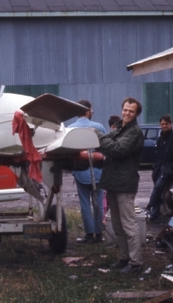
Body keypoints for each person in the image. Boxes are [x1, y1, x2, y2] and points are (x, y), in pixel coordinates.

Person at [94, 97, 144, 273]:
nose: (127, 113)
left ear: (137, 114)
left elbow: (117, 149)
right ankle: (125, 258)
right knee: (117, 225)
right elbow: (107, 146)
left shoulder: (134, 132)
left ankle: (136, 262)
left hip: (125, 185)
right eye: (125, 109)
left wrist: (98, 135)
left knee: (129, 224)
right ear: (122, 109)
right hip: (113, 183)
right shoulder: (119, 128)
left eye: (131, 111)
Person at [68, 100, 106, 243]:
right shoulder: (99, 127)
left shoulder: (70, 128)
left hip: (80, 171)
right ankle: (99, 233)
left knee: (85, 203)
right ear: (88, 111)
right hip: (98, 171)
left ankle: (89, 234)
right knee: (98, 202)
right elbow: (105, 146)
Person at [146, 115, 173, 222]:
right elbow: (159, 155)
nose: (164, 126)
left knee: (157, 188)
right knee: (158, 190)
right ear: (160, 125)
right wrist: (156, 167)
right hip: (160, 169)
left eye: (166, 124)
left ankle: (148, 207)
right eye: (162, 124)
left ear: (170, 124)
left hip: (170, 170)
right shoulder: (160, 138)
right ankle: (154, 215)